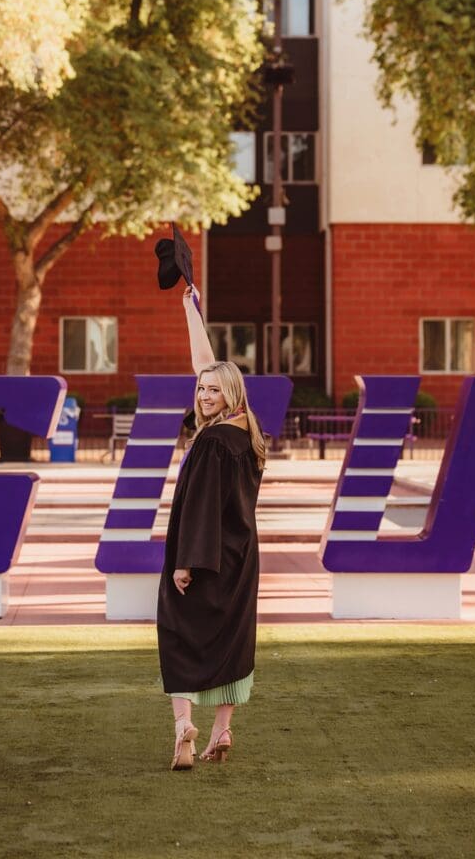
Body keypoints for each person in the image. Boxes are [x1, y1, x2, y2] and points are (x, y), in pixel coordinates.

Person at [156, 285, 266, 771]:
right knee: (232, 641)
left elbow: (200, 506)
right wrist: (190, 309)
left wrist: (185, 563)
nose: (202, 394)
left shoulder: (211, 442)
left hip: (205, 557)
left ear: (230, 395)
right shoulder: (247, 432)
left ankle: (184, 726)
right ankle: (222, 730)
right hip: (242, 558)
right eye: (200, 389)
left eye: (212, 390)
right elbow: (209, 364)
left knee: (179, 634)